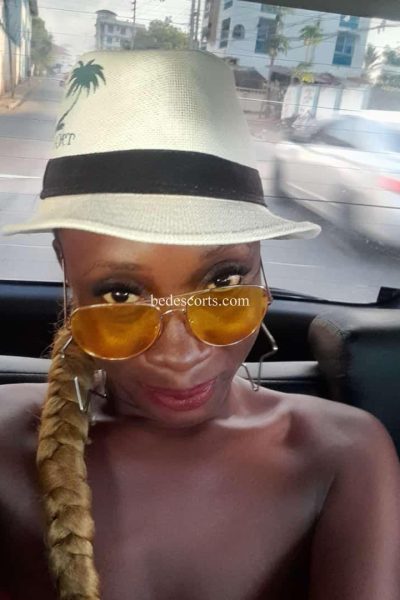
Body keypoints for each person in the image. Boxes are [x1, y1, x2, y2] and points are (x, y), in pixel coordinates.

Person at [1, 50, 399, 600]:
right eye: (120, 293)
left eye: (222, 282)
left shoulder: (342, 453)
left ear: (261, 265)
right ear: (65, 270)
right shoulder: (4, 442)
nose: (179, 354)